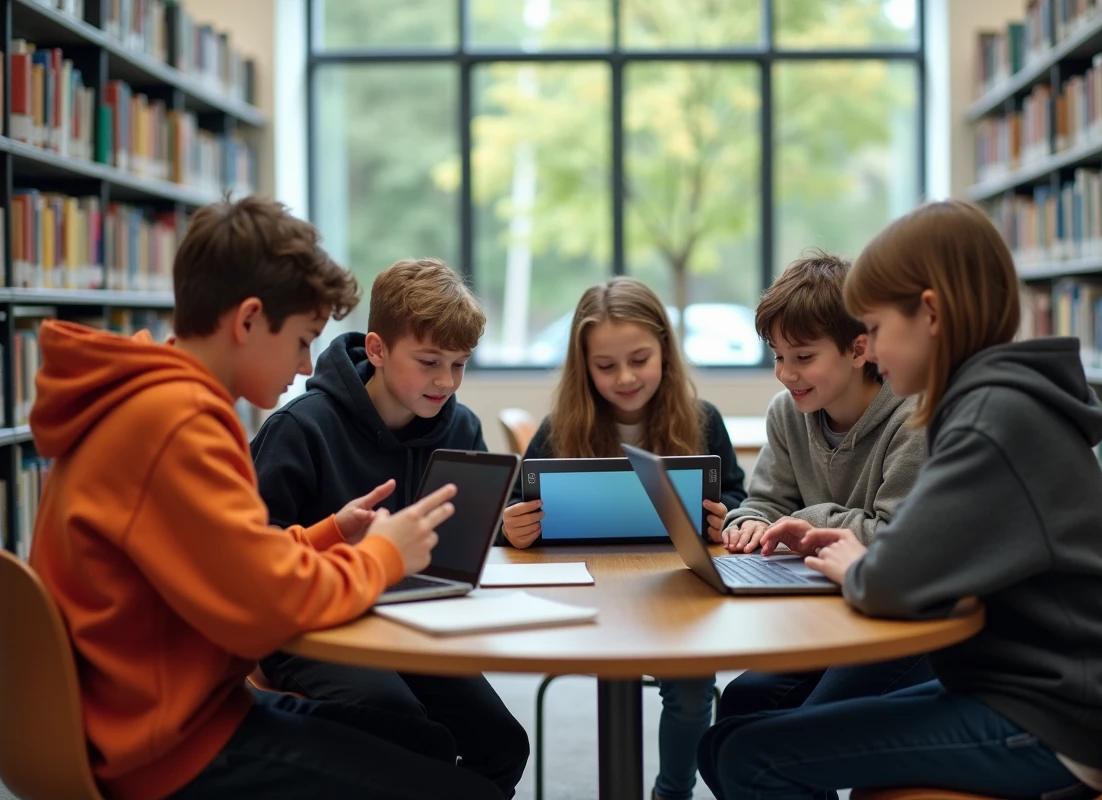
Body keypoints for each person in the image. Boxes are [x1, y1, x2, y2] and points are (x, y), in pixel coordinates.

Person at [28, 196, 504, 800]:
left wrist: (329, 532)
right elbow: (265, 606)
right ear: (249, 320)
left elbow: (233, 560)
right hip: (164, 745)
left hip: (166, 713)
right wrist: (382, 556)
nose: (309, 363)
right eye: (303, 339)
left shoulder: (155, 397)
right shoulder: (177, 423)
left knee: (428, 745)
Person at [697, 199, 1102, 800]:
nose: (874, 353)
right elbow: (922, 557)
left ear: (930, 315)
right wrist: (859, 554)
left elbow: (893, 579)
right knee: (731, 742)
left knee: (748, 759)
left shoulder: (989, 417)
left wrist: (860, 562)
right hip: (1023, 683)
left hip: (1058, 715)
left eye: (878, 329)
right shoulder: (990, 401)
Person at [250, 257, 528, 798]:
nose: (445, 381)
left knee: (503, 744)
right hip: (311, 628)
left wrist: (505, 530)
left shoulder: (461, 426)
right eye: (428, 362)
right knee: (410, 733)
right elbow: (256, 555)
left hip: (418, 622)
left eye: (459, 364)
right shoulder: (301, 429)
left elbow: (471, 536)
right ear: (376, 350)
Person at [502, 276, 746, 800]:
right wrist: (512, 526)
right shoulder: (560, 428)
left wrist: (728, 518)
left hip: (673, 593)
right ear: (583, 365)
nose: (626, 377)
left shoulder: (703, 421)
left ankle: (671, 793)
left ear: (665, 349)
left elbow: (740, 500)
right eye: (606, 366)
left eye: (640, 358)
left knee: (691, 680)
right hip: (585, 598)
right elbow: (514, 512)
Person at [715, 251, 930, 726]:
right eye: (778, 357)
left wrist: (806, 521)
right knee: (740, 704)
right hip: (827, 613)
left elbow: (893, 540)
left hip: (900, 621)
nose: (786, 374)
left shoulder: (913, 419)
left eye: (803, 357)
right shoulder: (787, 411)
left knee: (803, 724)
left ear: (858, 351)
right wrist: (749, 521)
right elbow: (767, 500)